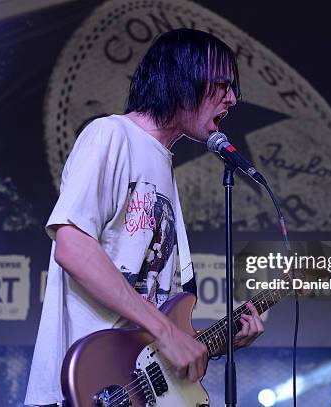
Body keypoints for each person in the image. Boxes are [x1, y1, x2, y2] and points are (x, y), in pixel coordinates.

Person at [24, 28, 265, 407]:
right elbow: (71, 246)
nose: (233, 99)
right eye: (222, 84)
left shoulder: (163, 165)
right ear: (182, 79)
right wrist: (166, 331)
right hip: (85, 389)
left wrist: (207, 344)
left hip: (130, 391)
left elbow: (149, 315)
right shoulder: (111, 135)